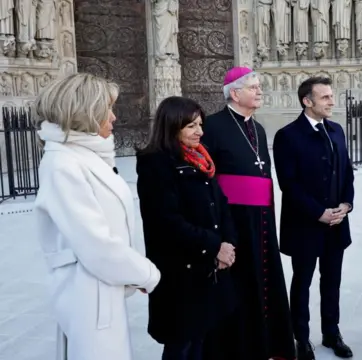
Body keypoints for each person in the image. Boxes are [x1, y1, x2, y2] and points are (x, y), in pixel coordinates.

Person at [33, 73, 161, 360]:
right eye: (107, 110)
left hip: (102, 286)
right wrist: (146, 274)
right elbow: (96, 244)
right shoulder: (63, 163)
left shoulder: (86, 155)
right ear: (86, 112)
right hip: (87, 291)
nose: (114, 117)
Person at [200, 67, 296, 360]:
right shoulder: (213, 127)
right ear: (234, 93)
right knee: (241, 287)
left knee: (265, 281)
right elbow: (208, 181)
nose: (260, 91)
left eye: (259, 87)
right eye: (254, 87)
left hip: (263, 221)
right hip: (234, 222)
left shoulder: (259, 127)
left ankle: (269, 346)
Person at [136, 96, 242, 360]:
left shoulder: (200, 158)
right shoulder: (156, 163)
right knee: (181, 343)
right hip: (181, 271)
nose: (200, 132)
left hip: (208, 267)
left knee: (201, 339)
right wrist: (214, 245)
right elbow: (166, 221)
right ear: (173, 126)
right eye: (192, 126)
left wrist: (228, 242)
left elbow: (222, 204)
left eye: (200, 124)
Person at [273, 76, 355, 360]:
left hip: (337, 224)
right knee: (302, 283)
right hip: (306, 226)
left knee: (332, 282)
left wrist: (346, 204)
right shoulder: (287, 135)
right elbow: (289, 184)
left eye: (332, 96)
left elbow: (347, 172)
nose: (332, 101)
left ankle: (332, 334)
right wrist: (319, 213)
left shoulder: (337, 130)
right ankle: (302, 339)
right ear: (307, 101)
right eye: (325, 97)